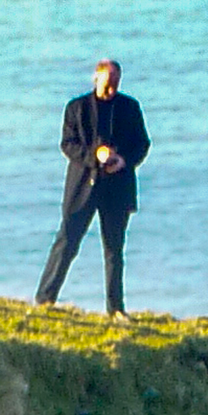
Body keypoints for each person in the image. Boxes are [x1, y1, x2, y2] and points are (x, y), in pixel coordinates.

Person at [35, 59, 149, 317]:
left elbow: (142, 144)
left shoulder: (130, 107)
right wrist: (95, 157)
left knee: (114, 250)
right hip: (83, 186)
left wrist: (123, 160)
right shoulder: (76, 108)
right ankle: (45, 299)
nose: (111, 89)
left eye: (116, 84)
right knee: (67, 242)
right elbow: (68, 144)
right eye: (108, 83)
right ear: (96, 79)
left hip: (117, 188)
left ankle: (115, 308)